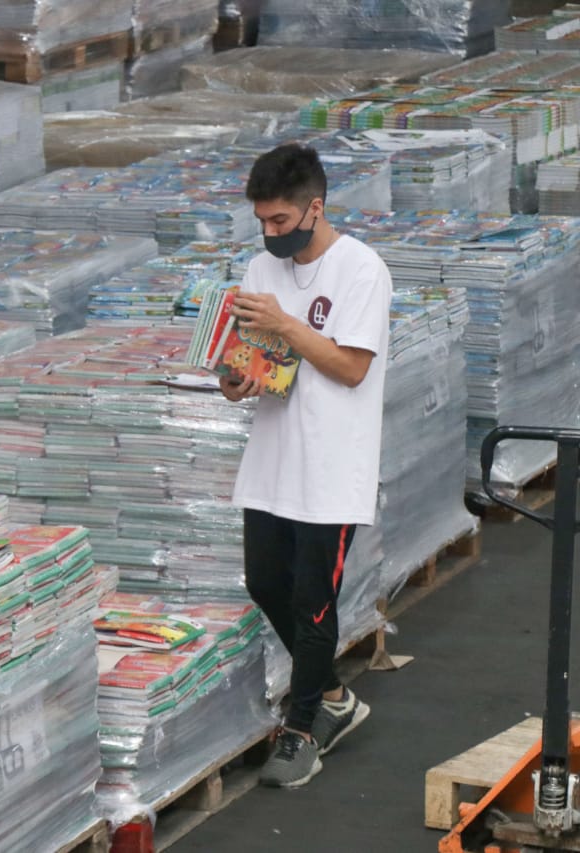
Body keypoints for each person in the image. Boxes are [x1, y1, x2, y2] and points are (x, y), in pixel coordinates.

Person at [221, 143, 392, 788]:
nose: (270, 234)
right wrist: (235, 380)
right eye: (261, 222)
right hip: (273, 458)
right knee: (265, 581)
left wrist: (286, 325)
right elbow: (257, 363)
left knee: (312, 601)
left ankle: (302, 730)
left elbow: (351, 368)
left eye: (280, 221)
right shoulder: (260, 270)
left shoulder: (361, 271)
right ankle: (335, 697)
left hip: (331, 465)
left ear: (314, 208)